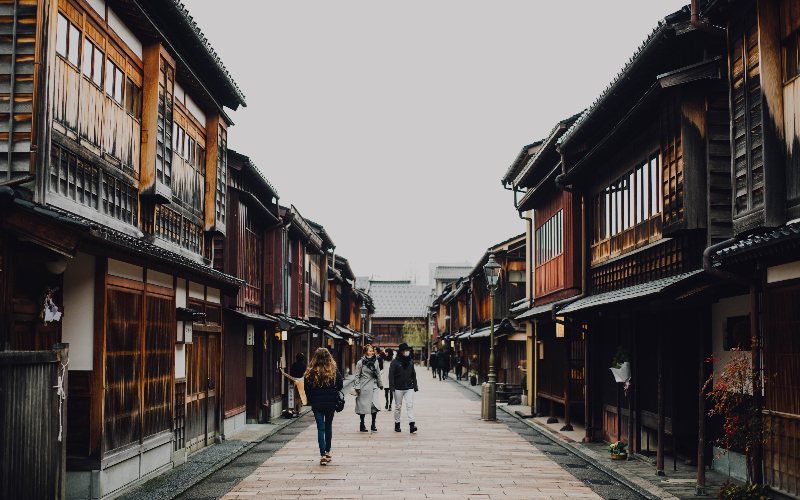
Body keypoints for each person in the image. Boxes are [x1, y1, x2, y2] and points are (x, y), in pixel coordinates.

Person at [304, 348, 343, 466]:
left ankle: (322, 455)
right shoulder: (333, 370)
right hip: (330, 402)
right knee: (328, 427)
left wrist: (312, 400)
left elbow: (307, 389)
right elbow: (340, 385)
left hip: (317, 403)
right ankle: (327, 451)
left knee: (320, 428)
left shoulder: (310, 371)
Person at [389, 343, 418, 433]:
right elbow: (391, 375)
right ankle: (397, 423)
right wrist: (392, 387)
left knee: (410, 405)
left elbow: (413, 374)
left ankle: (412, 424)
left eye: (408, 350)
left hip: (409, 387)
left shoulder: (410, 361)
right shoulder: (395, 362)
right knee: (398, 406)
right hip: (398, 387)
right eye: (406, 350)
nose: (407, 352)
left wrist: (415, 386)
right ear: (401, 351)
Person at [354, 344, 383, 432]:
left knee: (375, 405)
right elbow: (357, 375)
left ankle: (373, 424)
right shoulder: (360, 362)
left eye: (372, 351)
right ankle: (362, 424)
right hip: (363, 386)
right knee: (363, 406)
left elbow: (378, 373)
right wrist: (357, 387)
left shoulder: (376, 361)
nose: (372, 353)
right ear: (366, 352)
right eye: (370, 351)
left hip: (373, 386)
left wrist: (380, 384)